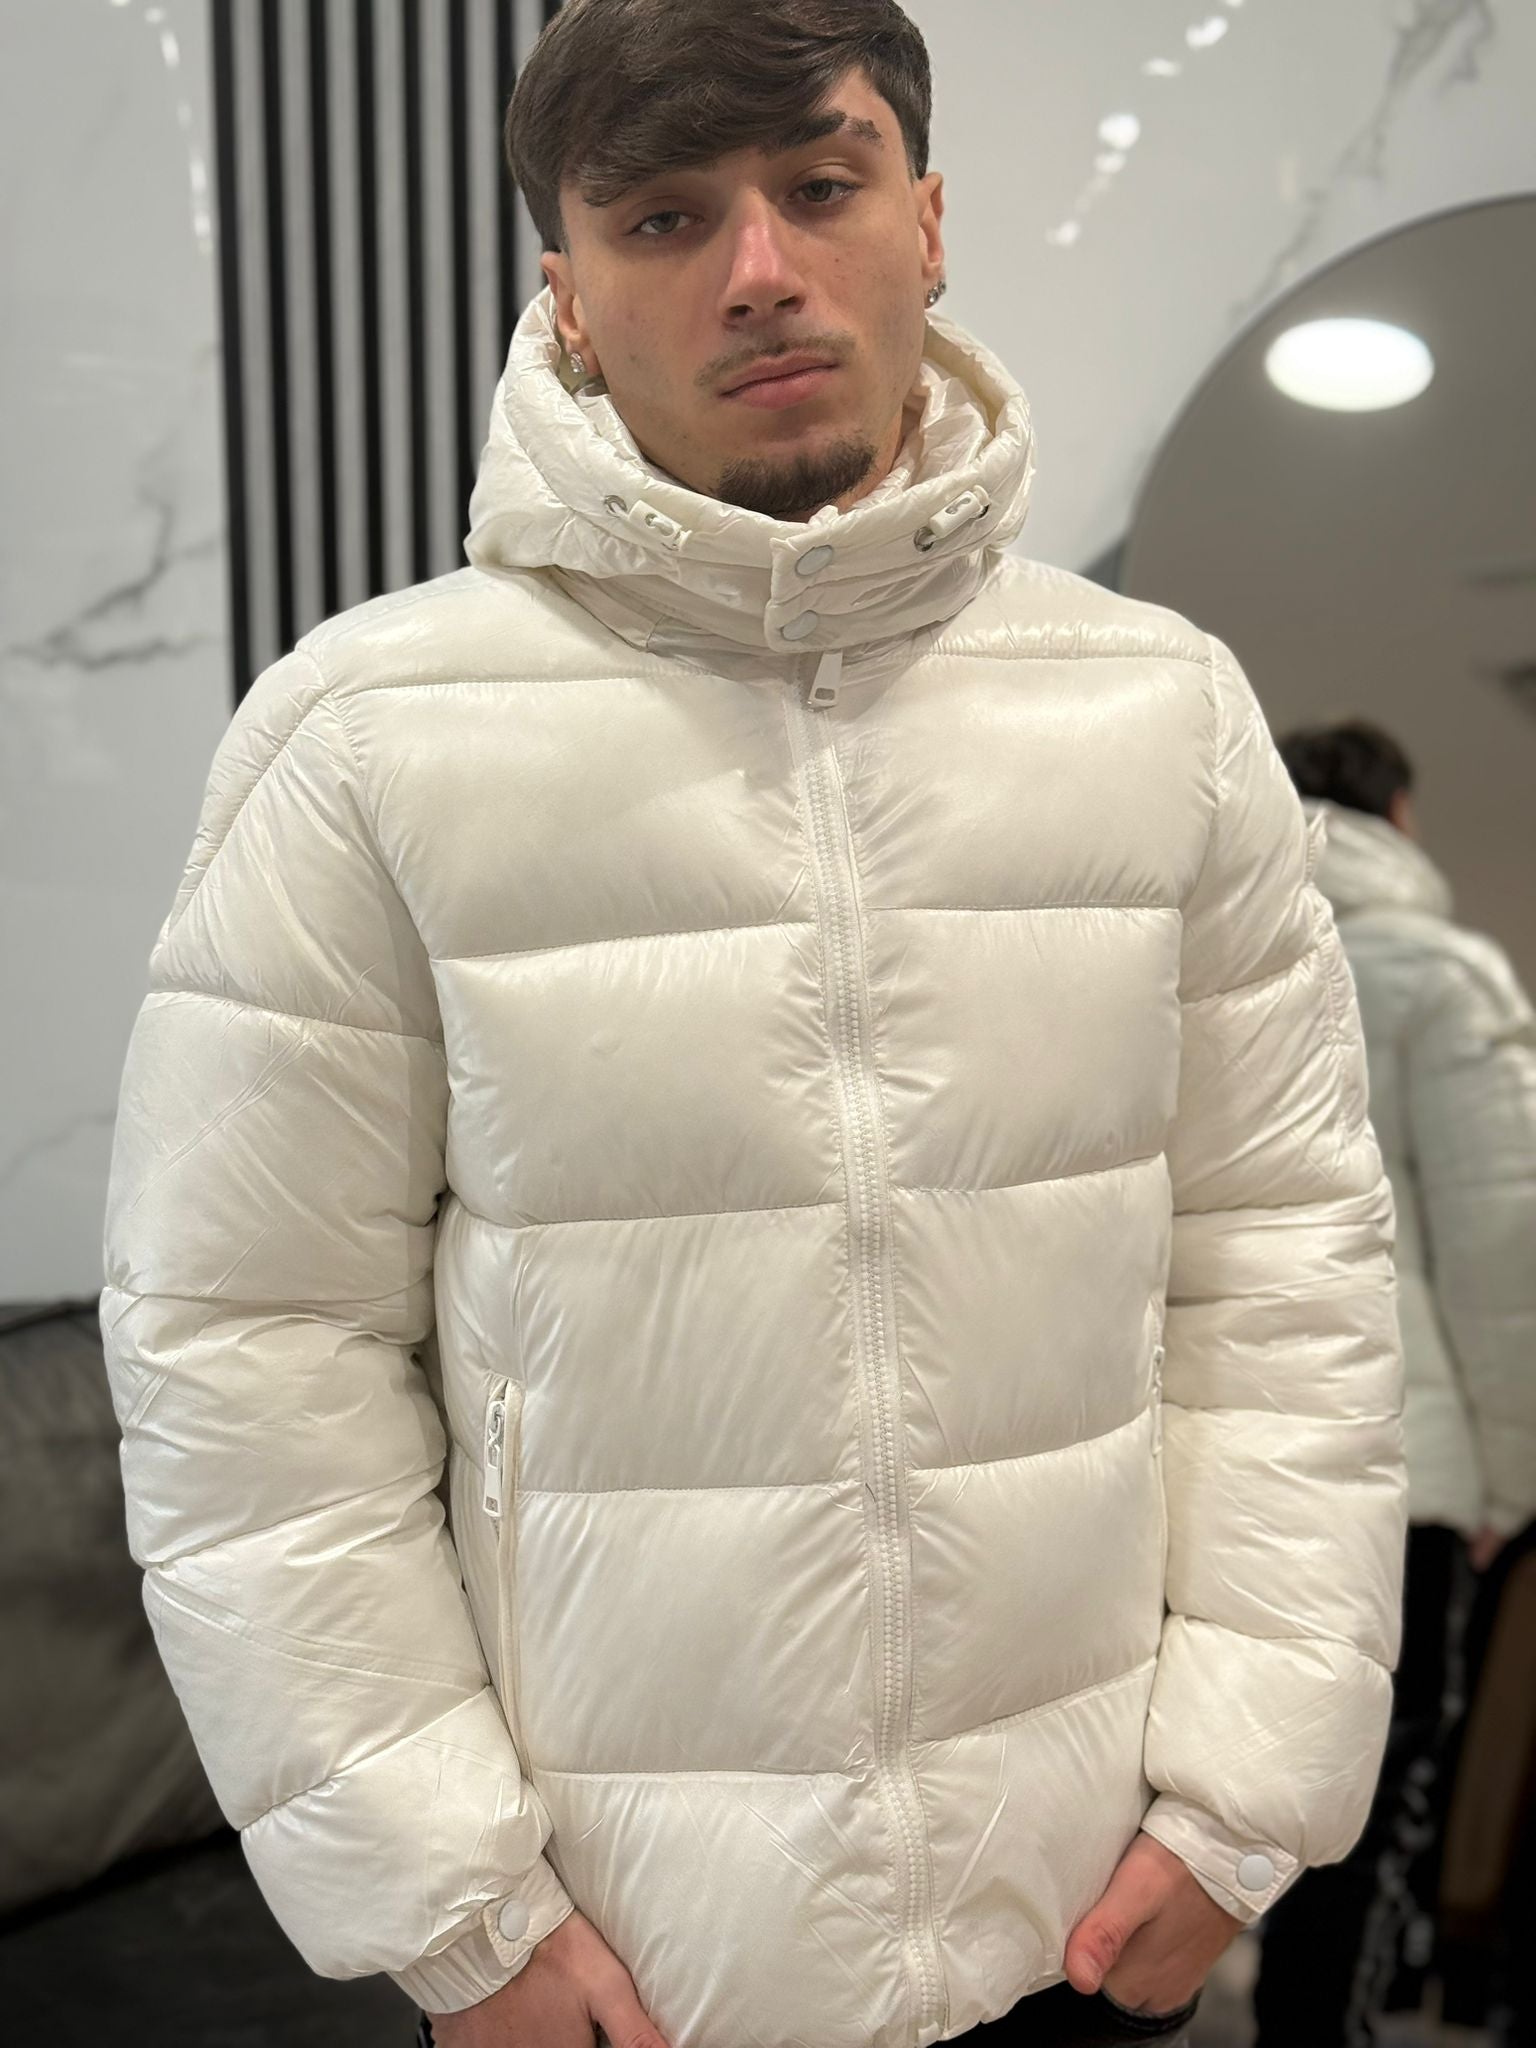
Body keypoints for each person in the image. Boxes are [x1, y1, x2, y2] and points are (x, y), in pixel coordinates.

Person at [98, 5, 1408, 2044]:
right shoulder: (365, 740)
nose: (762, 268)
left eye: (820, 185)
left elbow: (1287, 1266)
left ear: (928, 220)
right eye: (665, 216)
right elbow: (246, 1360)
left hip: (1081, 1918)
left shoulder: (1159, 709)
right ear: (569, 290)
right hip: (616, 1971)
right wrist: (452, 1909)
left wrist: (1248, 1800)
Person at [1252, 719, 1536, 2048]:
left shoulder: (1213, 951)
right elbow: (1506, 1247)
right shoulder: (1439, 975)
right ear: (1401, 818)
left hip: (1231, 1455)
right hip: (1401, 1474)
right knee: (1374, 1794)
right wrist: (1516, 1484)